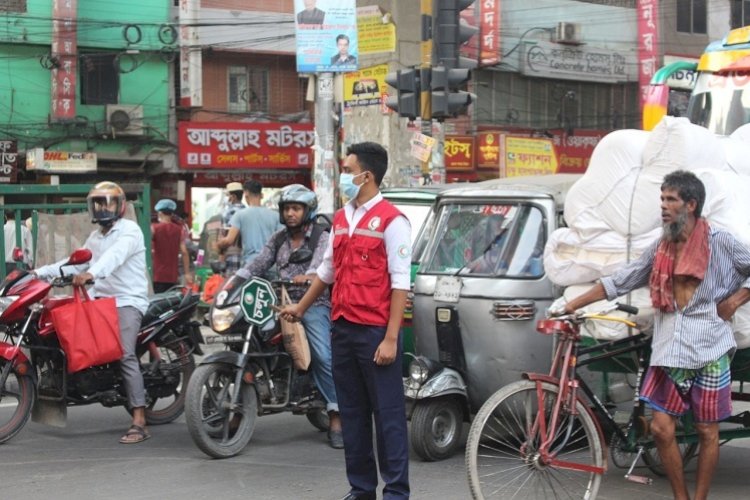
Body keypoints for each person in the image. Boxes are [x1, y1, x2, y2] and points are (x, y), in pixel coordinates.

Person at [562, 170, 750, 500]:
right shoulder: (660, 247)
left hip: (710, 348)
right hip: (669, 351)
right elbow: (621, 280)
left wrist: (735, 299)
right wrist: (572, 303)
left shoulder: (720, 241)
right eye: (661, 198)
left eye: (671, 199)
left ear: (691, 204)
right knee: (663, 430)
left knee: (707, 431)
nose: (663, 205)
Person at [281, 142, 411, 500]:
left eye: (348, 168)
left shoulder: (392, 220)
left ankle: (396, 493)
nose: (343, 175)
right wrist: (301, 308)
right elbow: (327, 271)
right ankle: (362, 490)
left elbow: (401, 283)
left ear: (365, 175)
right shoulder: (339, 218)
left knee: (388, 419)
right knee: (352, 416)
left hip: (375, 333)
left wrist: (390, 338)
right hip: (343, 328)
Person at [32, 182, 152, 444]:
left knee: (125, 353)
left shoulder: (129, 231)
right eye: (98, 203)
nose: (102, 208)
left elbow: (114, 258)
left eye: (107, 202)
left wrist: (91, 274)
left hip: (126, 301)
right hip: (99, 300)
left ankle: (140, 419)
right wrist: (39, 273)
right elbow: (76, 261)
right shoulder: (97, 236)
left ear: (119, 206)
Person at [234, 184, 343, 449]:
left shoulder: (321, 236)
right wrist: (233, 282)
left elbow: (321, 268)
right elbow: (258, 263)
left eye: (296, 208)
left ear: (307, 210)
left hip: (312, 302)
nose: (291, 213)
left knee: (322, 355)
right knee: (246, 334)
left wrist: (309, 276)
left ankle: (337, 413)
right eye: (287, 208)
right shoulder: (278, 238)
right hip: (280, 300)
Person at [217, 180, 281, 267]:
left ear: (246, 195)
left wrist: (219, 244)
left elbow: (229, 240)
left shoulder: (240, 215)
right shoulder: (276, 216)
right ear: (262, 195)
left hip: (250, 265)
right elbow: (282, 242)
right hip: (271, 265)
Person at [151, 198, 192, 293]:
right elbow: (184, 252)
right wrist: (187, 273)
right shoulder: (179, 229)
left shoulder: (154, 228)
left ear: (160, 213)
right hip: (173, 276)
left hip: (157, 274)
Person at [219, 181, 246, 273]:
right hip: (244, 255)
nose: (226, 198)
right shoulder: (246, 210)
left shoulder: (230, 212)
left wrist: (220, 250)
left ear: (233, 197)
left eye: (228, 195)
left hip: (231, 255)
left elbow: (226, 236)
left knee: (230, 284)